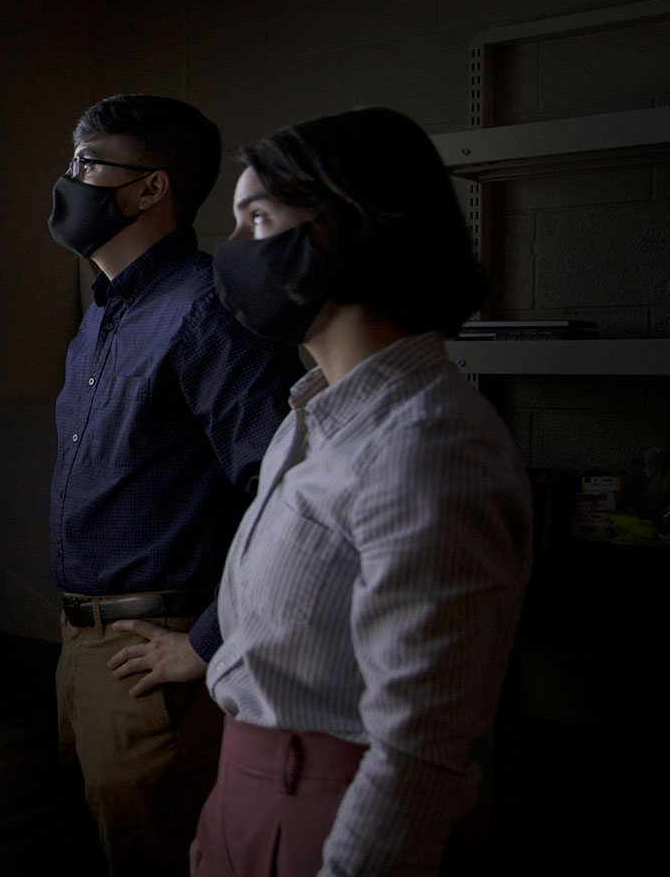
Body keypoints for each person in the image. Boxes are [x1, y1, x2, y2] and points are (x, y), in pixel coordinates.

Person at [195, 107, 532, 876]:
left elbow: (418, 750)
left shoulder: (430, 446)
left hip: (339, 822)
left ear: (338, 233)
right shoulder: (312, 416)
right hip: (249, 801)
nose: (235, 251)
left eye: (258, 220)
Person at [47, 95, 305, 875]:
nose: (68, 183)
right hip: (82, 652)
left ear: (151, 189)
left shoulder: (205, 313)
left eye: (88, 165)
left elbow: (289, 495)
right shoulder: (104, 318)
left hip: (154, 660)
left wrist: (207, 646)